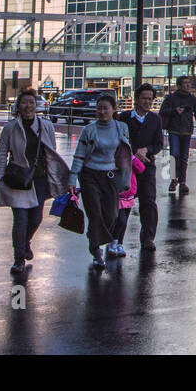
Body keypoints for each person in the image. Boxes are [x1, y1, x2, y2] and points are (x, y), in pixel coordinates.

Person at [0, 88, 71, 277]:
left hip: (39, 179)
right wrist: (0, 174)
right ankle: (18, 258)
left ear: (36, 105)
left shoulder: (46, 126)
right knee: (20, 219)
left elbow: (51, 153)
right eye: (24, 102)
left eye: (31, 102)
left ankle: (25, 242)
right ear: (18, 106)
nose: (28, 106)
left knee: (36, 218)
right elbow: (2, 151)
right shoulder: (10, 127)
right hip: (18, 179)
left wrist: (57, 176)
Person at [70, 93, 132, 270]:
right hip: (89, 175)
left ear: (114, 110)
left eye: (106, 108)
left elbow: (125, 154)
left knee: (111, 215)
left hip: (111, 175)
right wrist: (72, 178)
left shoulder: (122, 128)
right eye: (99, 108)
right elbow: (79, 155)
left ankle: (94, 236)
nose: (102, 111)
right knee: (95, 213)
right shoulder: (88, 130)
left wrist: (126, 177)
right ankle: (96, 251)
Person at [113, 83, 164, 253]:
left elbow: (159, 144)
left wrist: (146, 150)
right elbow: (118, 140)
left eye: (150, 99)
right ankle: (117, 240)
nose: (147, 102)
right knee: (124, 204)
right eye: (144, 98)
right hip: (126, 167)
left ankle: (148, 238)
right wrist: (134, 152)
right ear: (136, 99)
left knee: (148, 202)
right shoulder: (124, 118)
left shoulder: (155, 119)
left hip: (147, 166)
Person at [160, 76, 196, 195]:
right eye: (185, 83)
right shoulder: (171, 98)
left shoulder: (192, 99)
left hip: (186, 131)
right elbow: (162, 112)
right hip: (174, 130)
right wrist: (175, 111)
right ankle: (173, 179)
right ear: (179, 86)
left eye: (189, 83)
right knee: (174, 154)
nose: (188, 85)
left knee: (184, 157)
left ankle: (182, 182)